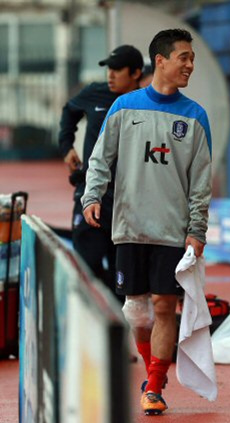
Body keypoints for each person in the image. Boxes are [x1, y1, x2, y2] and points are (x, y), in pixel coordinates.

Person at [82, 28, 212, 416]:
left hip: (173, 233)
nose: (190, 64)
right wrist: (92, 195)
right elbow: (100, 158)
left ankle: (154, 384)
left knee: (164, 305)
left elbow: (201, 181)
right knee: (137, 313)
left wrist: (197, 229)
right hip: (129, 226)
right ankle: (151, 368)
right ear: (160, 60)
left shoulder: (195, 115)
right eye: (183, 57)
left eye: (192, 58)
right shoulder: (124, 108)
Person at [58, 45, 143, 301]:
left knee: (125, 279)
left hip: (127, 205)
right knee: (87, 267)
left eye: (118, 70)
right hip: (91, 197)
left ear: (136, 73)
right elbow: (69, 111)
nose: (111, 75)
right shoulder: (95, 93)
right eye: (109, 69)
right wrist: (66, 147)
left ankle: (119, 332)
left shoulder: (145, 105)